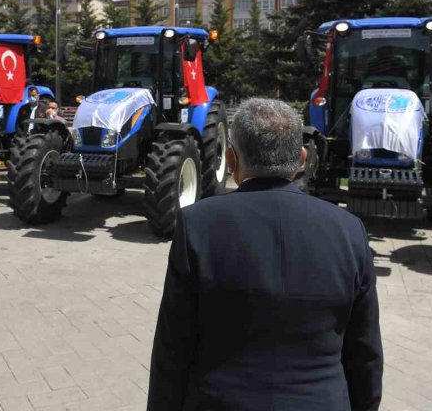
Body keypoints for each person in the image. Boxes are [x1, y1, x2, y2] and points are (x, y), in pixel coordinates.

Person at [148, 98, 383, 411]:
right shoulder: (349, 230)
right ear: (302, 158)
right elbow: (365, 352)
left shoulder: (197, 224)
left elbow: (173, 347)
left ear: (231, 161)